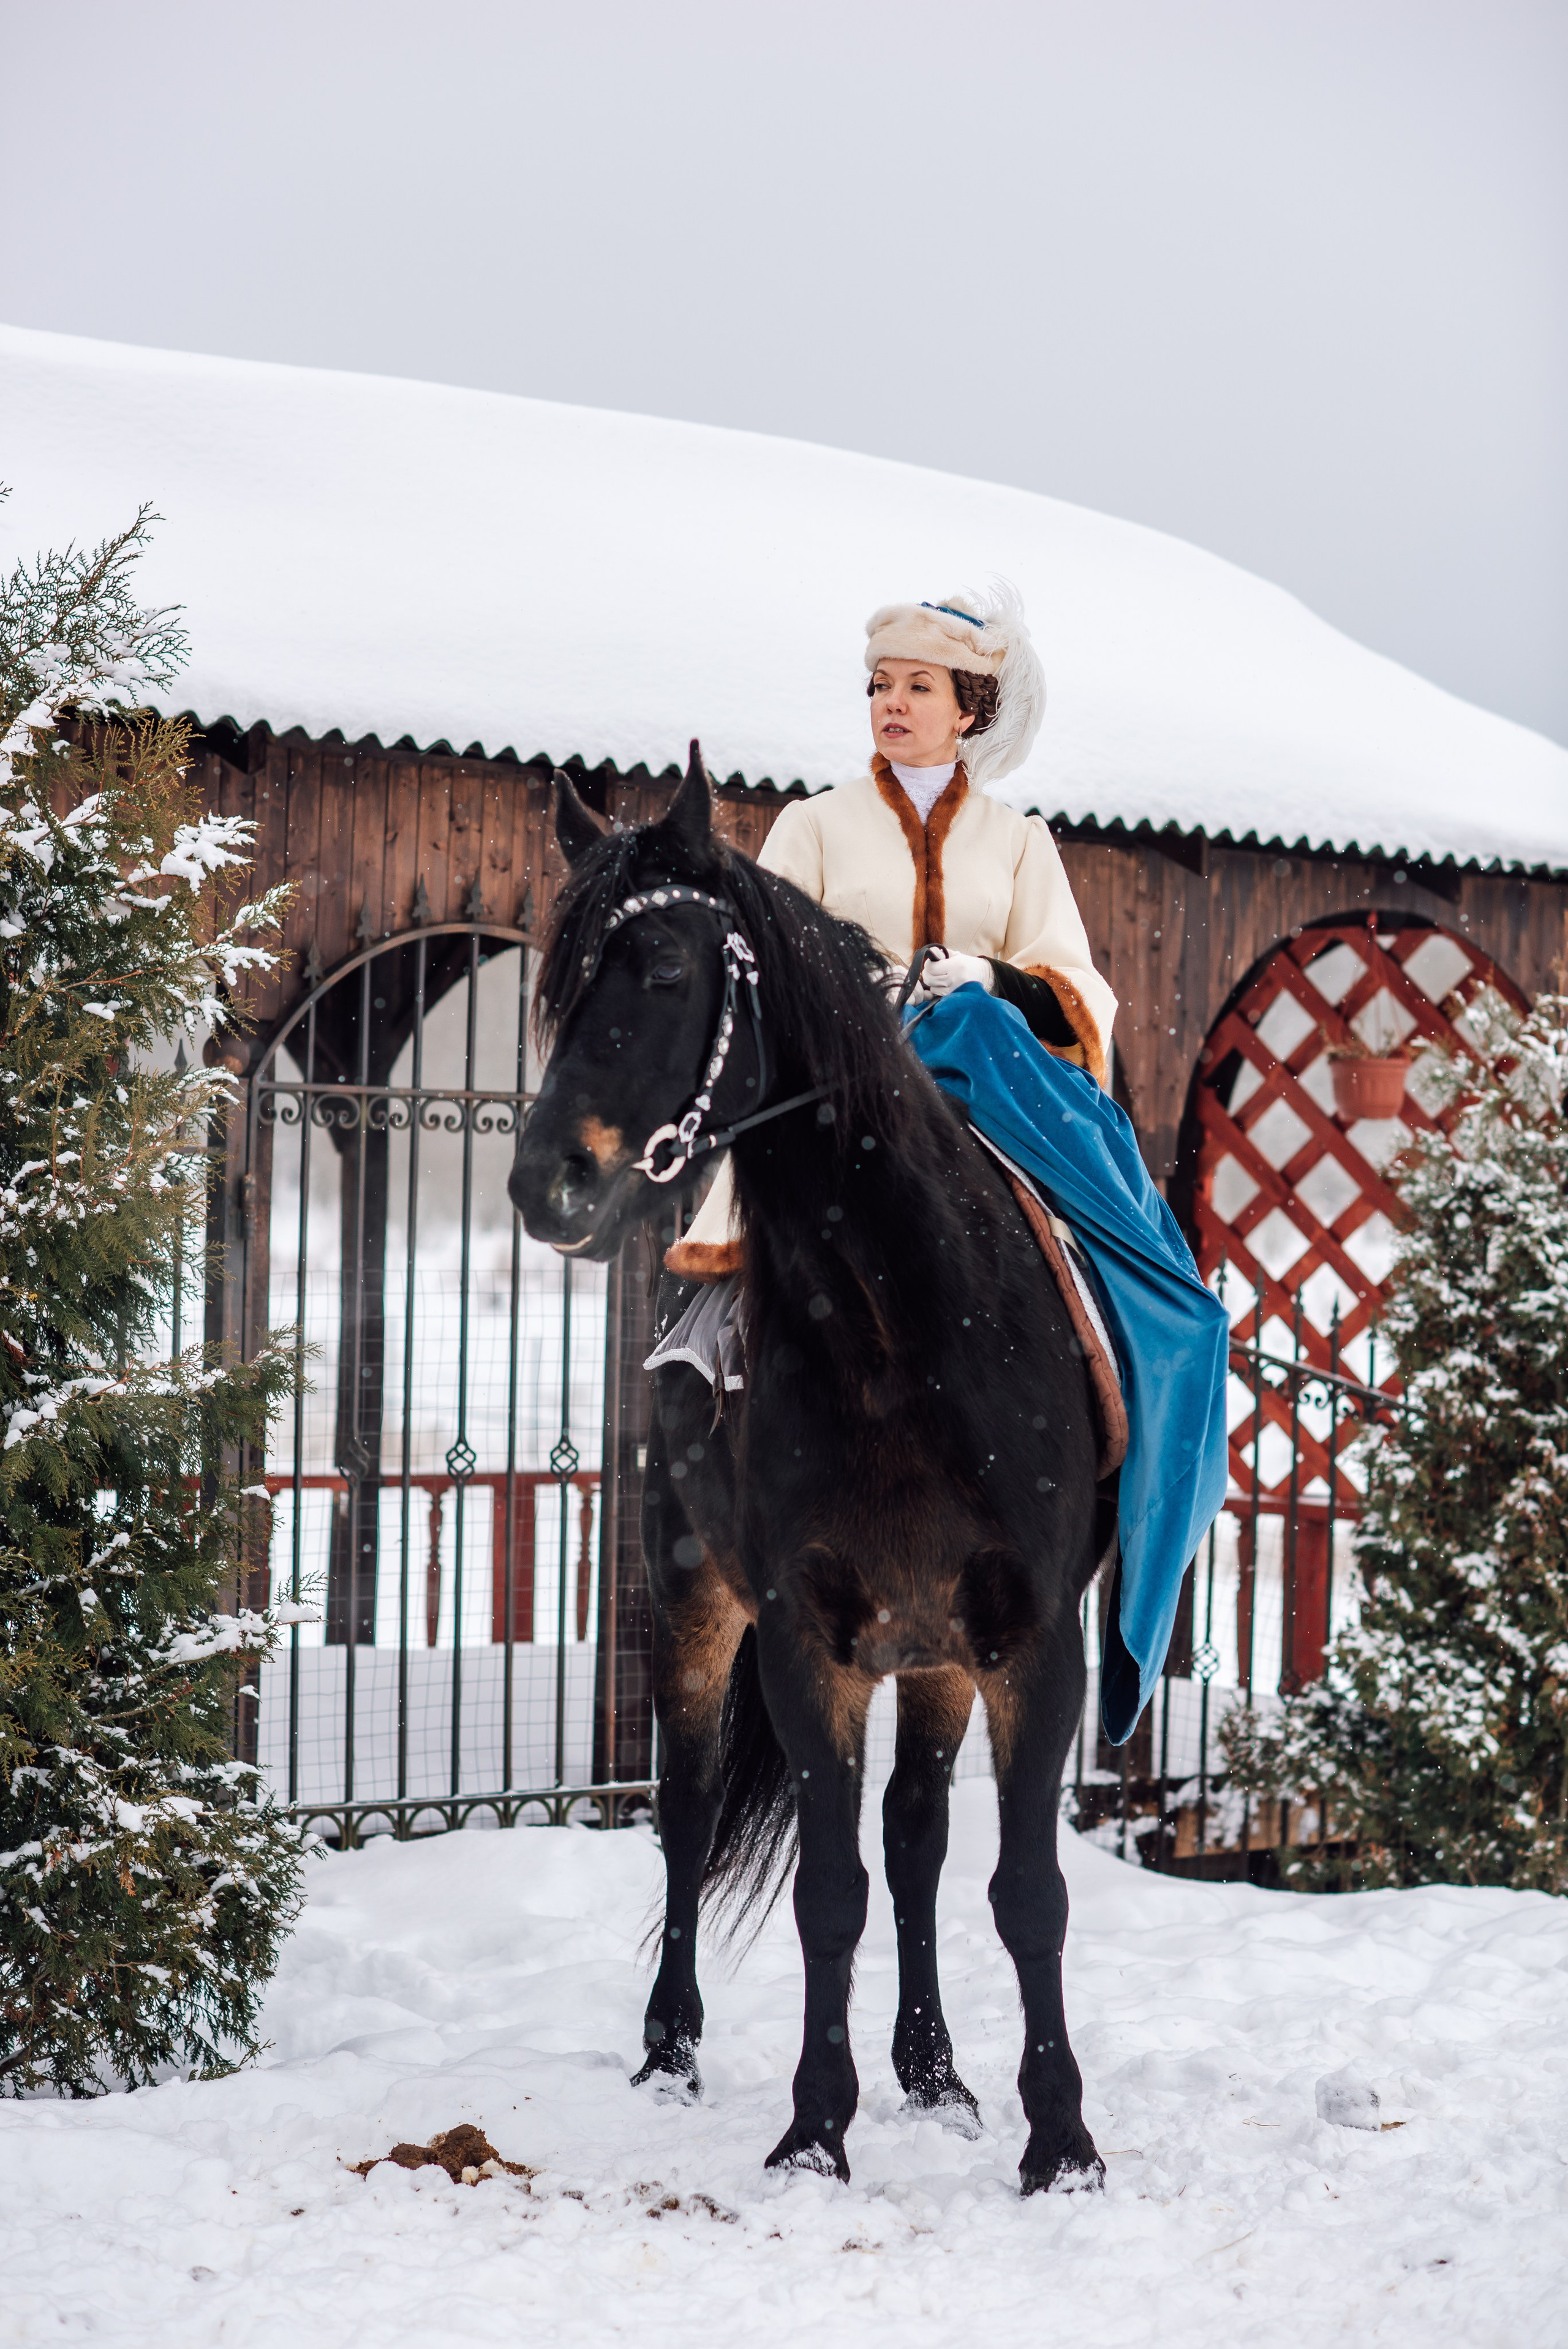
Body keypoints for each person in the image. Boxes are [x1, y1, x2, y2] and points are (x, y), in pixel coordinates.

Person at [668, 583, 1115, 1280]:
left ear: (968, 710)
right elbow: (753, 974)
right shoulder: (810, 825)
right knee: (723, 1294)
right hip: (836, 1093)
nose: (892, 702)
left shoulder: (1020, 842)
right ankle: (705, 1369)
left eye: (918, 686)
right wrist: (842, 995)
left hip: (984, 1094)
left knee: (1098, 1261)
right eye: (880, 685)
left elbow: (1076, 992)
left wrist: (989, 979)